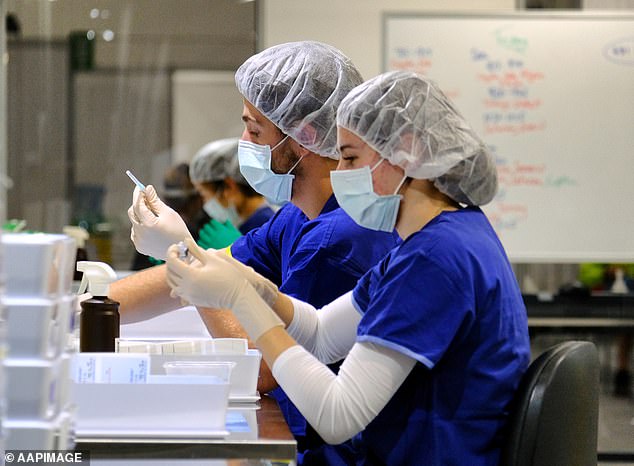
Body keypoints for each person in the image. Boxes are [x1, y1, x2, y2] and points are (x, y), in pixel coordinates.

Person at [165, 71, 531, 465]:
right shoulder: (437, 239)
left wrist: (238, 300)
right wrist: (256, 287)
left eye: (351, 157)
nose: (339, 173)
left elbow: (337, 415)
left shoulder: (436, 259)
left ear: (405, 154)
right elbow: (322, 334)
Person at [114, 41, 401, 452]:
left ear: (303, 135)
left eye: (253, 129)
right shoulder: (296, 217)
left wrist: (187, 259)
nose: (243, 143)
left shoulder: (339, 239)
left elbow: (263, 371)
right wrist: (82, 309)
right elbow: (218, 266)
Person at [189, 137, 275, 247]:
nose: (206, 204)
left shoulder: (264, 227)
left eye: (204, 195)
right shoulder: (246, 226)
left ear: (229, 187)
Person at [130, 162, 210, 270]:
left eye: (185, 206)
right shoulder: (156, 228)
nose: (179, 214)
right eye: (173, 204)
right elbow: (136, 275)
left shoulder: (212, 231)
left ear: (198, 199)